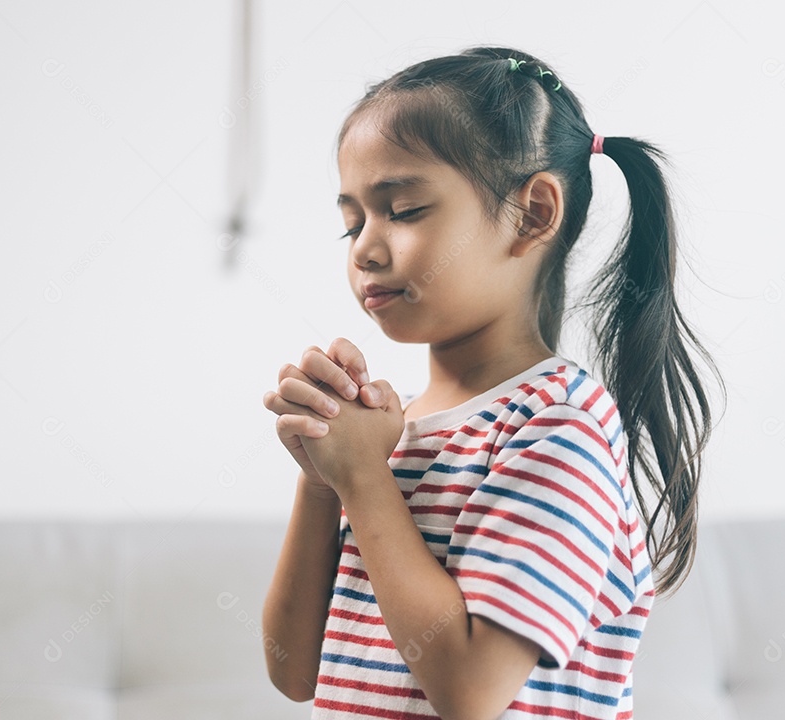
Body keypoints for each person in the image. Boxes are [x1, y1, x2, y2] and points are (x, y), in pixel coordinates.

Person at [261, 45, 725, 720]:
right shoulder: (391, 432)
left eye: (404, 210)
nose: (364, 248)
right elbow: (294, 670)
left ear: (533, 214)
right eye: (352, 224)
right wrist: (321, 476)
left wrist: (361, 479)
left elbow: (472, 691)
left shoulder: (558, 428)